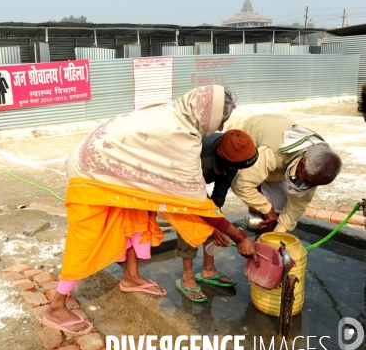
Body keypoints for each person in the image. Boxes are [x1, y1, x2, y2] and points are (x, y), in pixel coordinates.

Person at [42, 85, 259, 335]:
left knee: (137, 215)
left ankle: (131, 277)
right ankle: (56, 307)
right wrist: (239, 236)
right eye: (221, 120)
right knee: (87, 237)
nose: (220, 128)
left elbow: (203, 202)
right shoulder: (183, 139)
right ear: (209, 115)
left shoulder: (176, 115)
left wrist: (216, 226)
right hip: (92, 169)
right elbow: (198, 202)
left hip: (118, 167)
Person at [176, 129, 259, 302]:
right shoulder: (198, 160)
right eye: (235, 167)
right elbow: (198, 202)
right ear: (224, 161)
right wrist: (231, 233)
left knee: (215, 216)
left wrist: (217, 221)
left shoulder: (234, 157)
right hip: (177, 182)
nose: (237, 170)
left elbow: (218, 196)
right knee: (189, 223)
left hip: (197, 186)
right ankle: (187, 276)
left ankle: (208, 269)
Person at [229, 114, 342, 233]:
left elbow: (295, 207)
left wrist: (276, 237)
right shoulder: (273, 153)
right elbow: (241, 184)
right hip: (245, 142)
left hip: (280, 163)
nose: (307, 186)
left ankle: (265, 242)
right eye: (308, 181)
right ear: (302, 164)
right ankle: (260, 236)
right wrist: (266, 208)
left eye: (312, 184)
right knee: (261, 212)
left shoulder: (315, 168)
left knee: (280, 208)